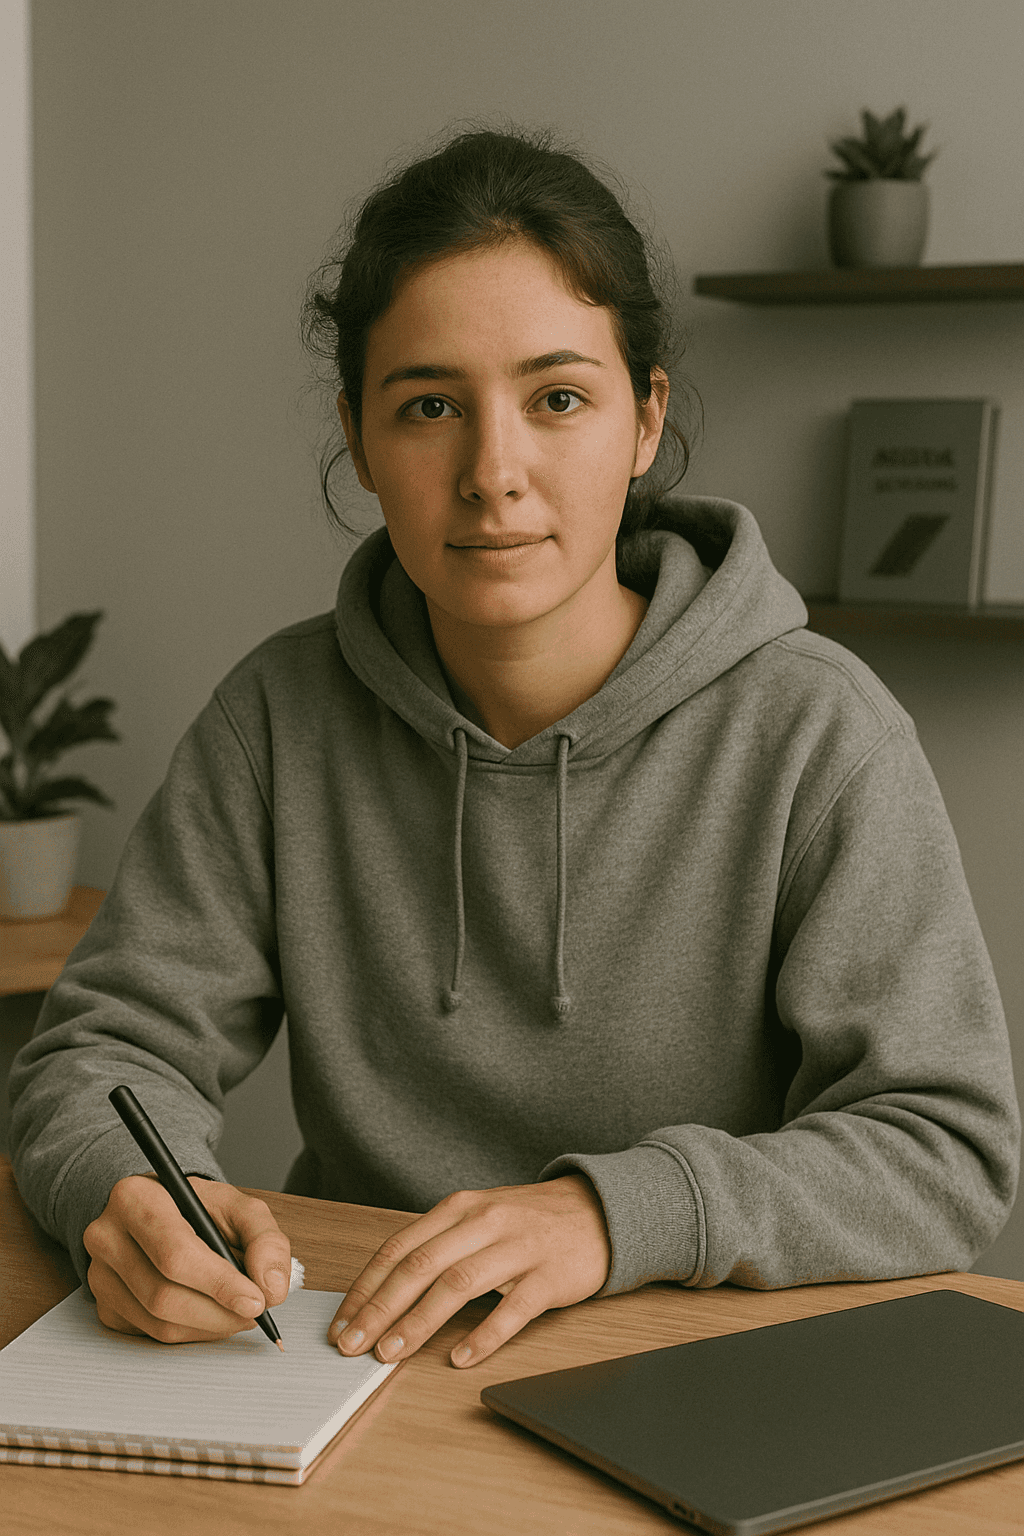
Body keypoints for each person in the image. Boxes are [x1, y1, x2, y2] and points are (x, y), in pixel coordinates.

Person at [9, 127, 1019, 1375]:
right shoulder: (276, 717)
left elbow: (942, 1153)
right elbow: (105, 1050)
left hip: (687, 1370)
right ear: (360, 437)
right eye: (430, 406)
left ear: (644, 421)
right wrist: (126, 1193)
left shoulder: (819, 733)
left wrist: (611, 1215)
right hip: (358, 1360)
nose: (493, 474)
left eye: (558, 399)